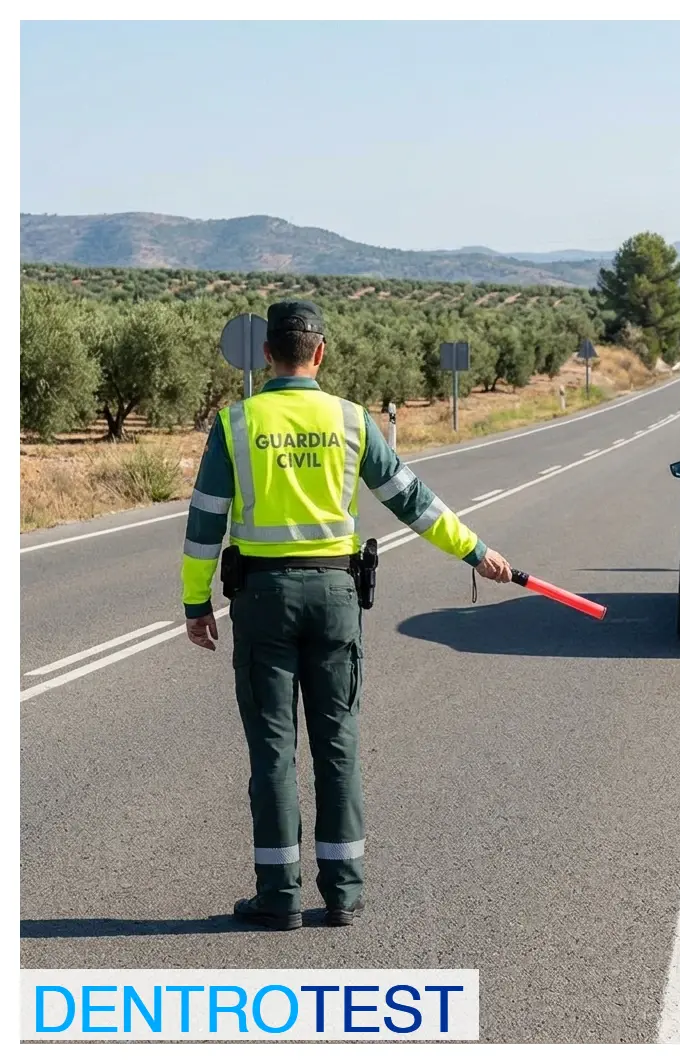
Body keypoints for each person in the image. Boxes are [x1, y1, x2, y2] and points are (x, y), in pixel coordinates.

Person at [181, 300, 512, 931]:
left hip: (262, 599)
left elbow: (204, 525)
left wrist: (197, 602)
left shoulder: (236, 425)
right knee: (338, 743)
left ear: (265, 354)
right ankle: (343, 893)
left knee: (273, 750)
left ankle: (278, 897)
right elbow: (414, 503)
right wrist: (475, 550)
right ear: (320, 353)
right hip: (336, 598)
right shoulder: (353, 422)